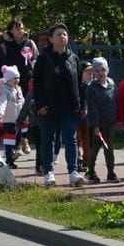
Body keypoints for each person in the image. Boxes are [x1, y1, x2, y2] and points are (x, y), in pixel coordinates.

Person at [32, 23, 84, 185]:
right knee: (48, 139)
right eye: (59, 34)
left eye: (64, 34)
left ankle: (73, 172)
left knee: (71, 139)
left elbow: (79, 84)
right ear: (50, 39)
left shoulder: (73, 58)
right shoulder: (43, 59)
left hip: (69, 107)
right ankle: (48, 172)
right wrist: (40, 104)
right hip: (48, 108)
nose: (62, 37)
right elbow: (37, 84)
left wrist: (81, 105)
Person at [85, 56, 118, 183]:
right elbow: (92, 108)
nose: (100, 73)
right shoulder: (91, 88)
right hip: (97, 125)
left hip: (109, 123)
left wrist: (117, 118)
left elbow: (116, 101)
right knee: (95, 149)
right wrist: (95, 126)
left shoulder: (112, 84)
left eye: (103, 70)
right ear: (93, 72)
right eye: (97, 70)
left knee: (109, 149)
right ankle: (91, 171)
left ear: (107, 70)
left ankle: (111, 173)